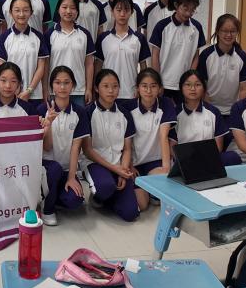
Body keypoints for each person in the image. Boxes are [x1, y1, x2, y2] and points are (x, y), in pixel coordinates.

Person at [79, 70, 141, 222]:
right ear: (96, 88)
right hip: (94, 163)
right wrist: (114, 169)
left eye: (115, 86)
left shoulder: (125, 114)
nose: (111, 90)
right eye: (105, 86)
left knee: (131, 213)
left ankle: (109, 197)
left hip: (119, 164)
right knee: (105, 187)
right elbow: (87, 150)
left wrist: (123, 171)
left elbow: (127, 148)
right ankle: (100, 195)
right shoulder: (87, 112)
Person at [38, 67, 88, 226]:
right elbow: (46, 147)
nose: (62, 87)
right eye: (58, 82)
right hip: (46, 169)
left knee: (75, 200)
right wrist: (49, 124)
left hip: (66, 169)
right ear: (52, 85)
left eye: (67, 83)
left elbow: (76, 148)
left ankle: (52, 195)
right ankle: (47, 208)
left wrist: (72, 177)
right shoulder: (42, 110)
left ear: (73, 85)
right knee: (55, 169)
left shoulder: (79, 112)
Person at [121, 68, 176, 212]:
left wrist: (166, 168)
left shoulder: (166, 104)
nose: (148, 90)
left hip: (155, 162)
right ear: (138, 88)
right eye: (144, 86)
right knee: (142, 205)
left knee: (167, 179)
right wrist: (129, 165)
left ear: (160, 89)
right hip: (135, 164)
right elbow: (126, 143)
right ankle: (150, 191)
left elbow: (163, 136)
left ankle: (154, 191)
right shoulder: (128, 107)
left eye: (153, 86)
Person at [149, 0, 205, 105]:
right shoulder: (162, 26)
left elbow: (196, 55)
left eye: (192, 10)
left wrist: (190, 80)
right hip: (164, 83)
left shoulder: (197, 27)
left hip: (185, 84)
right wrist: (157, 82)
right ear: (176, 5)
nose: (189, 13)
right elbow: (155, 55)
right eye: (185, 8)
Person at [0, 0, 50, 111]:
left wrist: (29, 90)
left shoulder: (38, 37)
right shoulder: (4, 38)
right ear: (11, 13)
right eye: (17, 10)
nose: (21, 14)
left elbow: (41, 67)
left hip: (34, 95)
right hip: (10, 94)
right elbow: (2, 68)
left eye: (25, 10)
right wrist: (12, 89)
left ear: (31, 12)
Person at [173, 70, 240, 165]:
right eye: (188, 85)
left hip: (209, 157)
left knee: (233, 157)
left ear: (204, 88)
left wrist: (205, 160)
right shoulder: (175, 113)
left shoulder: (214, 112)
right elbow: (172, 146)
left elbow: (218, 147)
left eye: (197, 85)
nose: (193, 88)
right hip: (184, 160)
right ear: (181, 88)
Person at [94, 0, 150, 99]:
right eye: (118, 10)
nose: (122, 14)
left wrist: (141, 88)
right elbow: (98, 66)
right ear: (112, 11)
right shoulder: (103, 38)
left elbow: (143, 68)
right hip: (108, 94)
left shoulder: (139, 38)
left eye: (126, 10)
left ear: (132, 12)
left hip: (132, 94)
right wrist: (96, 88)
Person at [197, 14, 246, 117]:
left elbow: (244, 88)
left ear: (237, 32)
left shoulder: (242, 56)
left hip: (234, 111)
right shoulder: (206, 55)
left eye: (233, 31)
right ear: (217, 31)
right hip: (209, 109)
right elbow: (202, 86)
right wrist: (209, 110)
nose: (229, 35)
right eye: (224, 31)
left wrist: (239, 110)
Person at [47, 0, 95, 106]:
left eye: (73, 8)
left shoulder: (85, 34)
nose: (68, 11)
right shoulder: (49, 34)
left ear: (77, 11)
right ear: (58, 10)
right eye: (64, 7)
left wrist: (88, 89)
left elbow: (89, 64)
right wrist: (45, 89)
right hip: (55, 90)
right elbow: (45, 64)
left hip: (79, 90)